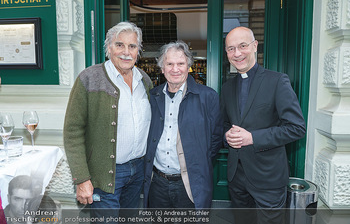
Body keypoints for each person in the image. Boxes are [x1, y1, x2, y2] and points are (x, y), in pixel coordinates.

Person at [63, 21, 153, 220]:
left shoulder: (144, 80)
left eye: (132, 46)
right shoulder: (89, 78)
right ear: (109, 48)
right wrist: (82, 178)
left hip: (137, 171)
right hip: (105, 176)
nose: (126, 52)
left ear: (139, 50)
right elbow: (72, 132)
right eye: (119, 45)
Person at [220, 26, 306, 224]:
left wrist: (252, 138)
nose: (237, 53)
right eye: (231, 49)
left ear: (255, 46)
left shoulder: (277, 81)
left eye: (242, 46)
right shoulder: (227, 88)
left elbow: (296, 127)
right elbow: (225, 124)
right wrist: (227, 136)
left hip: (268, 177)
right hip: (236, 177)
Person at [143, 40, 223, 209]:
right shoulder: (153, 96)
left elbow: (216, 138)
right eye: (169, 64)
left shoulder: (208, 97)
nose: (175, 69)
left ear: (188, 66)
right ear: (162, 68)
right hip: (157, 183)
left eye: (180, 63)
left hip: (189, 184)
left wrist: (198, 162)